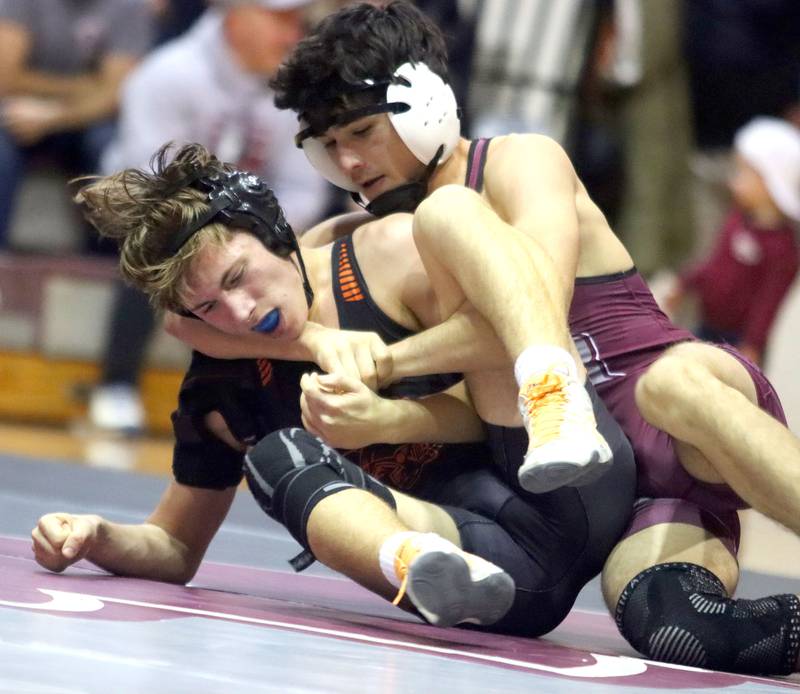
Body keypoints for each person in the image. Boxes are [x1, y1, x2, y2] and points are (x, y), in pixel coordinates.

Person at [165, 1, 800, 675]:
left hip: (666, 412)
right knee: (675, 628)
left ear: (425, 103)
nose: (350, 162)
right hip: (605, 482)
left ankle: (555, 391)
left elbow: (538, 307)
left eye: (363, 131)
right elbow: (187, 319)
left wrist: (384, 362)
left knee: (674, 384)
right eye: (330, 147)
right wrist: (320, 346)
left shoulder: (520, 161)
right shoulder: (366, 237)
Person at [32, 142, 636, 639]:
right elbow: (173, 545)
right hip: (494, 569)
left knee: (452, 212)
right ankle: (412, 565)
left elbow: (514, 330)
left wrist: (388, 413)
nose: (241, 313)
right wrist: (98, 538)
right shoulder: (224, 382)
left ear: (275, 232)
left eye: (239, 277)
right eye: (210, 307)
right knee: (276, 457)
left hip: (558, 473)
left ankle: (555, 394)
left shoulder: (386, 259)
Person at [88, 0, 330, 433]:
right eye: (281, 20)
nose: (294, 33)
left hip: (253, 226)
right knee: (163, 260)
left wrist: (259, 231)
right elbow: (148, 183)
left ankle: (280, 399)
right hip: (159, 220)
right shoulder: (168, 73)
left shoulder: (289, 91)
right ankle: (116, 382)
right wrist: (220, 229)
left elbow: (303, 188)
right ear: (236, 18)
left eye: (296, 20)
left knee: (284, 262)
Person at [0, 0, 156, 249]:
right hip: (23, 112)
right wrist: (89, 86)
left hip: (88, 120)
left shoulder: (129, 6)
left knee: (110, 147)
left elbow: (119, 94)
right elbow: (6, 79)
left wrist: (52, 116)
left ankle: (109, 267)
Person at [666, 117, 800, 366]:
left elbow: (768, 303)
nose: (733, 181)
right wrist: (686, 282)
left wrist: (753, 344)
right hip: (707, 325)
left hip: (739, 342)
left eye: (743, 173)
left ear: (772, 182)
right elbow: (714, 263)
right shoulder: (737, 218)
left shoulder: (783, 249)